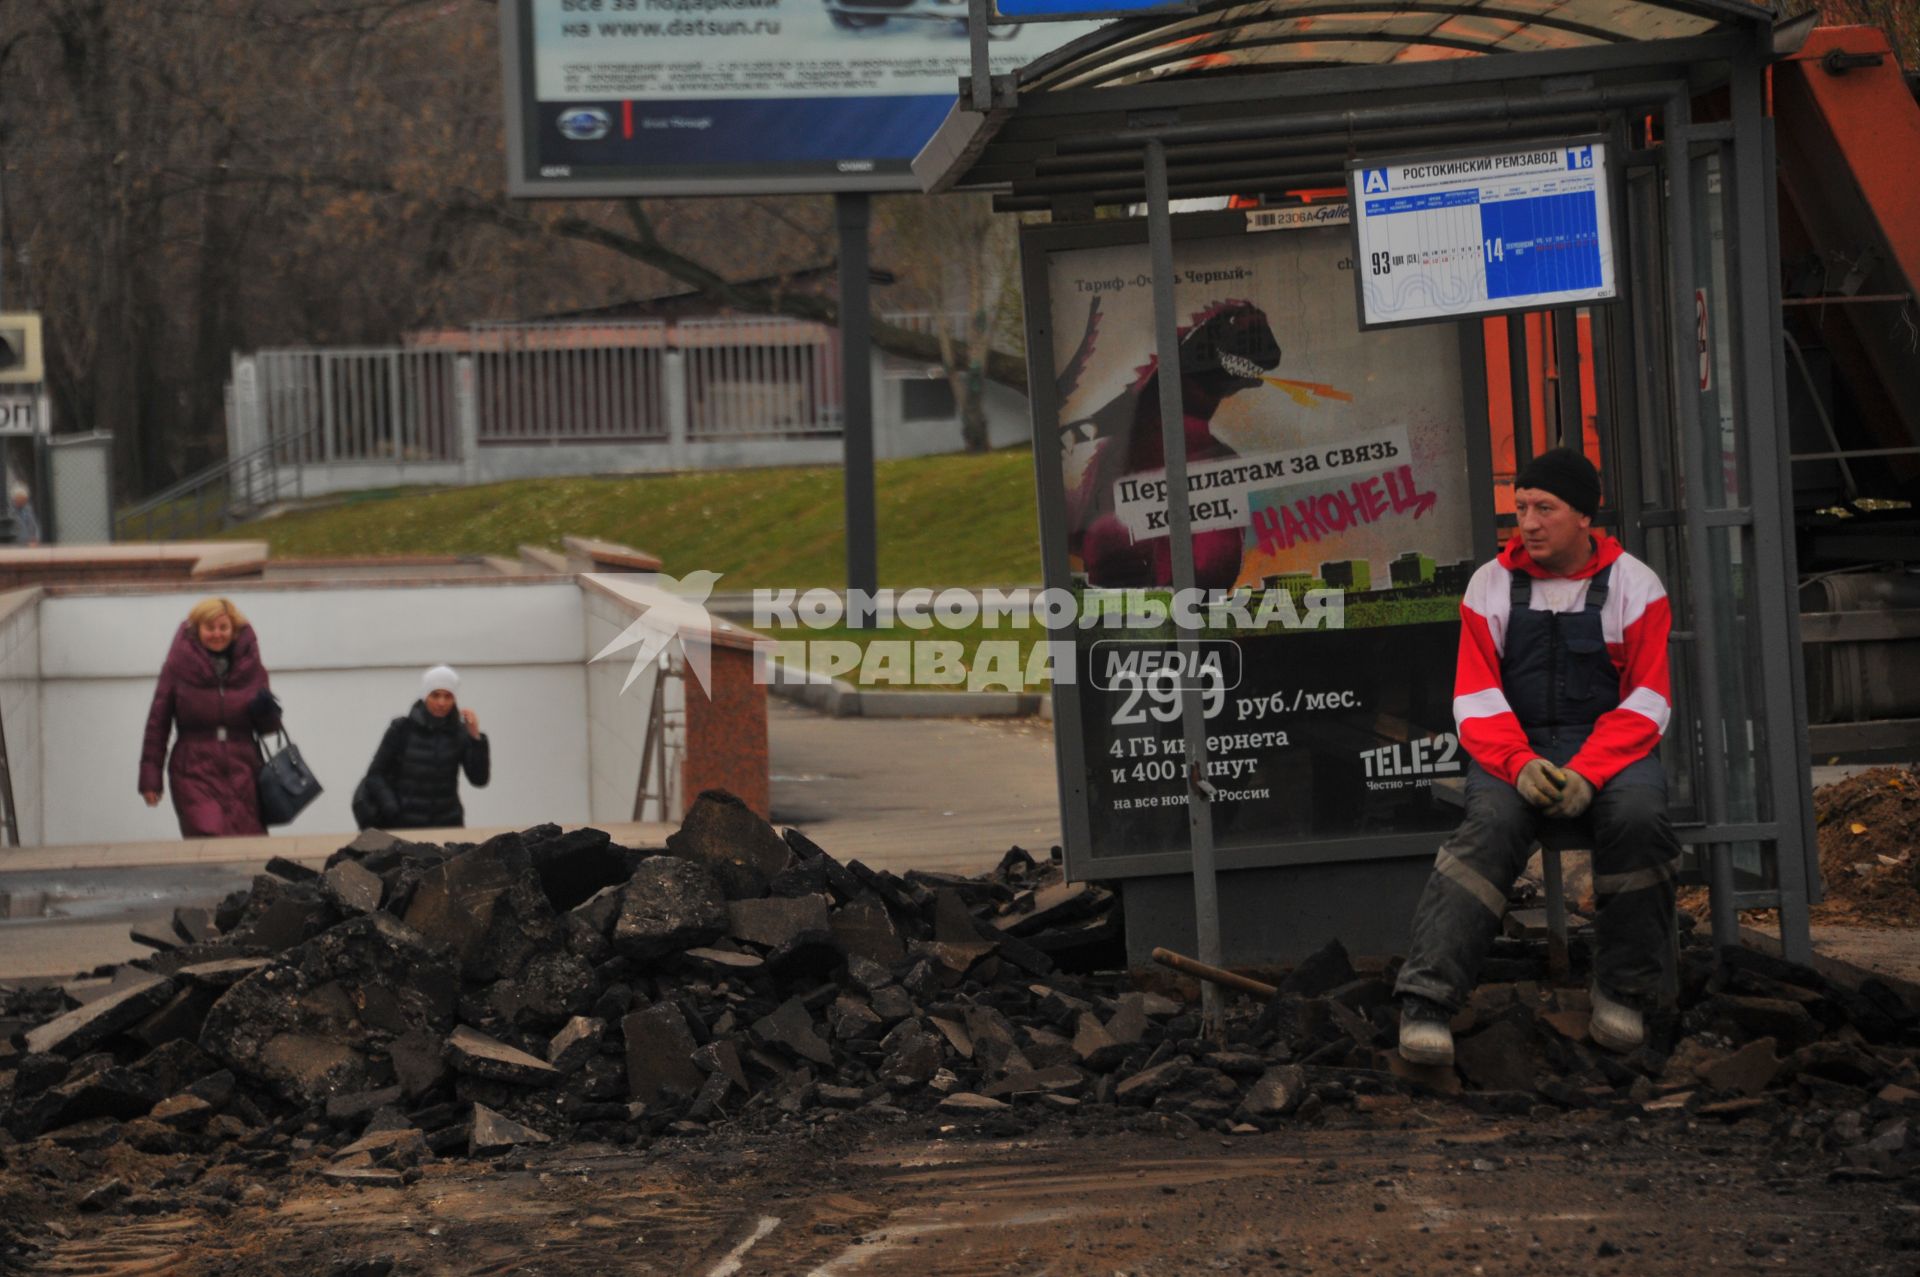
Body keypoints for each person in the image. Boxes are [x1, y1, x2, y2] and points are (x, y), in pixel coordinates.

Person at [1395, 447, 1678, 1066]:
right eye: (1520, 507)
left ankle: (1624, 995)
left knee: (1637, 822)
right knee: (1490, 828)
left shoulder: (1636, 585)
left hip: (1610, 747)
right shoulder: (1489, 585)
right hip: (1512, 748)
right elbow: (1475, 695)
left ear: (1583, 517)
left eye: (1544, 508)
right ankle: (1427, 1004)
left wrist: (1588, 772)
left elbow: (1649, 699)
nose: (1526, 522)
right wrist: (1519, 764)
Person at [139, 597, 282, 837]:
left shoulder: (252, 667)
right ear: (197, 630)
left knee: (247, 842)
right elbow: (158, 723)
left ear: (234, 630)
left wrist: (267, 712)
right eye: (210, 628)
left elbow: (268, 728)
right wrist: (150, 778)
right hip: (193, 770)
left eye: (223, 627)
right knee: (208, 834)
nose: (217, 634)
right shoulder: (177, 667)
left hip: (243, 770)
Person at [354, 664, 489, 829]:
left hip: (448, 824)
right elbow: (375, 775)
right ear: (425, 696)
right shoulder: (402, 729)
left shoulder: (459, 732)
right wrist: (392, 808)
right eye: (435, 695)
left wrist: (475, 737)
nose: (441, 702)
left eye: (448, 696)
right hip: (405, 826)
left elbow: (479, 779)